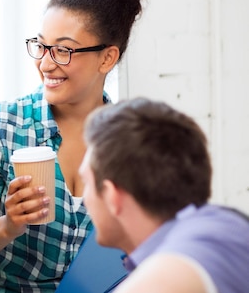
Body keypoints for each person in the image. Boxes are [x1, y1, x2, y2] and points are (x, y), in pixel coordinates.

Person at [0, 0, 146, 292]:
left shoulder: (133, 147)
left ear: (107, 58)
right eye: (41, 46)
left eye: (63, 50)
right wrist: (7, 226)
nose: (45, 63)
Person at [80, 97, 249, 293]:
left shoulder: (191, 254)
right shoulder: (224, 223)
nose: (85, 199)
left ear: (111, 196)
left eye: (87, 183)